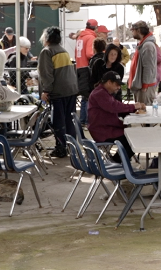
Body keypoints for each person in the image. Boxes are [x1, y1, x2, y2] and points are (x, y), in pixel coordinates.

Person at [37, 27, 78, 158]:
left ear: (46, 38)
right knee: (69, 120)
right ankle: (72, 147)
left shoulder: (47, 52)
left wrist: (46, 91)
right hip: (71, 90)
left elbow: (47, 75)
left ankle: (60, 148)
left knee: (58, 122)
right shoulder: (63, 50)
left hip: (58, 92)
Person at [87, 71, 145, 163]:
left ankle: (118, 161)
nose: (118, 87)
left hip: (106, 128)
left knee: (133, 136)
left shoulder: (103, 92)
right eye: (117, 84)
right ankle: (116, 162)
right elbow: (114, 107)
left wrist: (132, 109)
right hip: (103, 131)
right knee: (134, 138)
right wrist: (134, 107)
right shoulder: (99, 93)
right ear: (109, 82)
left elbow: (116, 105)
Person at [75, 19, 99, 126]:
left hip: (78, 67)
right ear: (95, 27)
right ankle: (87, 121)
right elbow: (89, 54)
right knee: (89, 95)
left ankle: (83, 120)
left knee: (84, 95)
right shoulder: (91, 37)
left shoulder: (80, 36)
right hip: (86, 68)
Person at [127, 21, 158, 105]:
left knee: (144, 113)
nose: (132, 32)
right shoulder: (143, 44)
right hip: (141, 86)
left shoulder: (147, 45)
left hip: (144, 88)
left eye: (133, 30)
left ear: (139, 30)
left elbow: (148, 67)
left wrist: (145, 85)